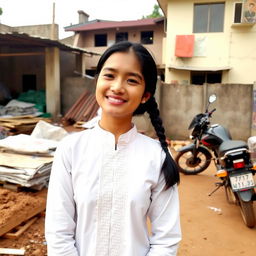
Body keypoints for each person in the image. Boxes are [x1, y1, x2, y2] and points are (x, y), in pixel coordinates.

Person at [45, 41, 181, 256]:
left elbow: (166, 239)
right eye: (109, 75)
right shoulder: (70, 149)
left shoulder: (157, 157)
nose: (117, 87)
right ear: (97, 81)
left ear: (146, 94)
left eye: (132, 80)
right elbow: (58, 231)